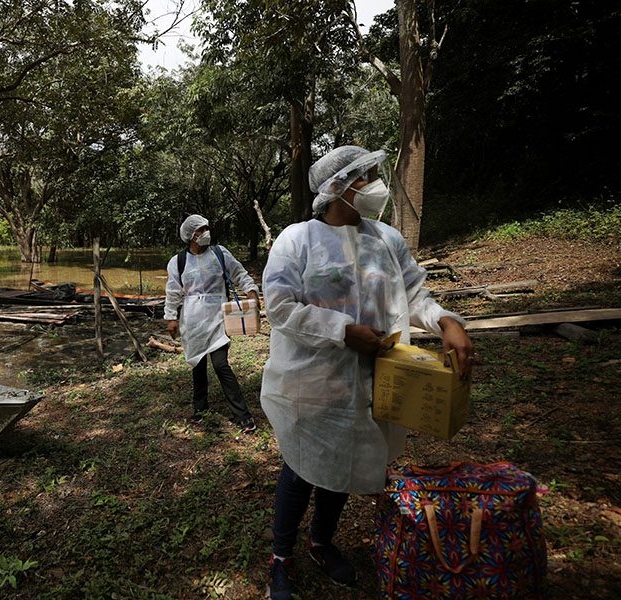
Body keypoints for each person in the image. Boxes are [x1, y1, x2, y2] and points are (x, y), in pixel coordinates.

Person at [260, 146, 475, 599]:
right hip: (312, 379)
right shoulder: (295, 240)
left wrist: (447, 322)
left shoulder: (387, 239)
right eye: (368, 176)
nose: (377, 185)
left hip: (372, 380)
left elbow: (415, 294)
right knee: (301, 469)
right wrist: (342, 330)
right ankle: (282, 556)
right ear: (339, 186)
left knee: (346, 461)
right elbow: (279, 307)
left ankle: (321, 542)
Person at [164, 214, 261, 433]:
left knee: (220, 365)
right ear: (191, 235)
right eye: (201, 229)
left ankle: (242, 415)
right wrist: (171, 317)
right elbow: (172, 292)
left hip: (218, 318)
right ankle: (199, 411)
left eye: (207, 228)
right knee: (198, 366)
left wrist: (251, 290)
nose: (206, 232)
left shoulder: (219, 253)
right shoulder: (178, 262)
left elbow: (239, 273)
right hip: (192, 321)